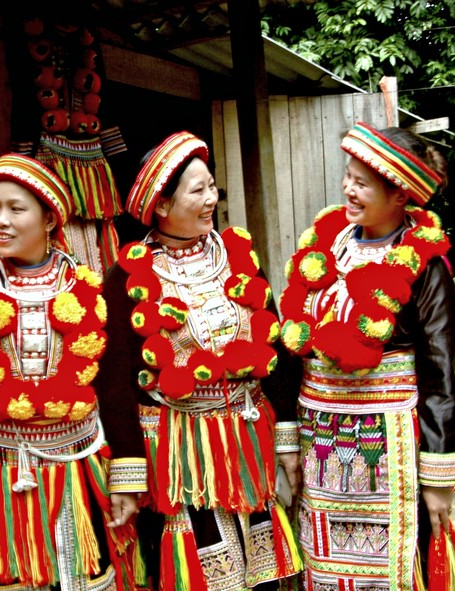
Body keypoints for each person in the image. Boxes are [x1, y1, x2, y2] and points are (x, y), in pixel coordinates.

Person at [97, 131, 302, 590]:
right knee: (200, 566)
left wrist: (287, 435)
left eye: (212, 186)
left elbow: (276, 346)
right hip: (178, 451)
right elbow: (113, 382)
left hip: (249, 437)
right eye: (197, 190)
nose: (211, 198)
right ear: (162, 206)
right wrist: (127, 472)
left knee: (264, 564)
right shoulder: (127, 275)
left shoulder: (239, 258)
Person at [278, 122, 455, 590]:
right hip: (321, 446)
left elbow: (440, 374)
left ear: (401, 196)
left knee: (395, 570)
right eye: (348, 177)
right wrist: (288, 437)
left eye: (362, 183)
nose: (349, 189)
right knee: (324, 567)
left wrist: (439, 478)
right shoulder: (327, 246)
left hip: (390, 450)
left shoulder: (425, 266)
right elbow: (292, 341)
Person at [0, 153, 145, 590]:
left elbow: (114, 385)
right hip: (3, 473)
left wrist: (126, 472)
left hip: (78, 469)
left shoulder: (88, 290)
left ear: (48, 220)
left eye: (16, 209)